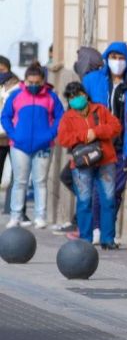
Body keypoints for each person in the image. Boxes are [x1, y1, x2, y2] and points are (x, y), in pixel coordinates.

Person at [81, 41, 127, 248]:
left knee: (115, 191)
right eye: (113, 57)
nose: (117, 62)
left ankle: (109, 230)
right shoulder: (92, 81)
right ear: (106, 59)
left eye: (121, 58)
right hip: (97, 145)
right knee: (99, 190)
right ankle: (97, 229)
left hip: (121, 147)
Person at [56, 82, 121, 246]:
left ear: (85, 94)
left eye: (78, 94)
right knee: (84, 201)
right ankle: (85, 239)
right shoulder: (67, 117)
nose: (76, 99)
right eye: (72, 97)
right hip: (81, 164)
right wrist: (84, 135)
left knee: (108, 200)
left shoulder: (100, 110)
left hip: (105, 160)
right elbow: (63, 139)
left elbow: (116, 127)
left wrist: (96, 132)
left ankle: (108, 239)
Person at [1, 63, 63, 229]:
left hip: (43, 145)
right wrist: (13, 135)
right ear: (25, 81)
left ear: (43, 81)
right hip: (19, 145)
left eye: (37, 82)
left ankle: (40, 217)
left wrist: (50, 134)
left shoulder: (51, 97)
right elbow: (5, 116)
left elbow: (60, 117)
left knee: (40, 181)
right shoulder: (16, 96)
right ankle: (15, 216)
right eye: (30, 82)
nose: (33, 86)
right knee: (19, 182)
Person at [0, 56, 19, 191]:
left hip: (14, 137)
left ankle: (18, 210)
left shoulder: (18, 86)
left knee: (19, 176)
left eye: (2, 70)